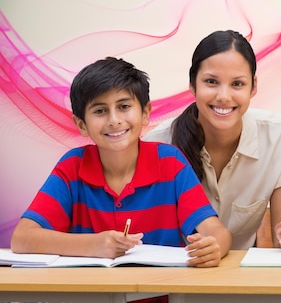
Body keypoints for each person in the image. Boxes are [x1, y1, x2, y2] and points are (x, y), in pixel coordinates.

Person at [10, 57, 232, 267]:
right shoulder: (72, 168)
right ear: (81, 124)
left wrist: (214, 247)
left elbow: (216, 231)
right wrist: (94, 245)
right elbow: (22, 238)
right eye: (100, 111)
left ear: (145, 113)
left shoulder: (170, 163)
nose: (114, 120)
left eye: (124, 107)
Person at [144, 30, 281, 250]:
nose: (224, 96)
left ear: (253, 87)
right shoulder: (158, 145)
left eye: (237, 84)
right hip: (172, 276)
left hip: (240, 278)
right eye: (211, 82)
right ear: (192, 85)